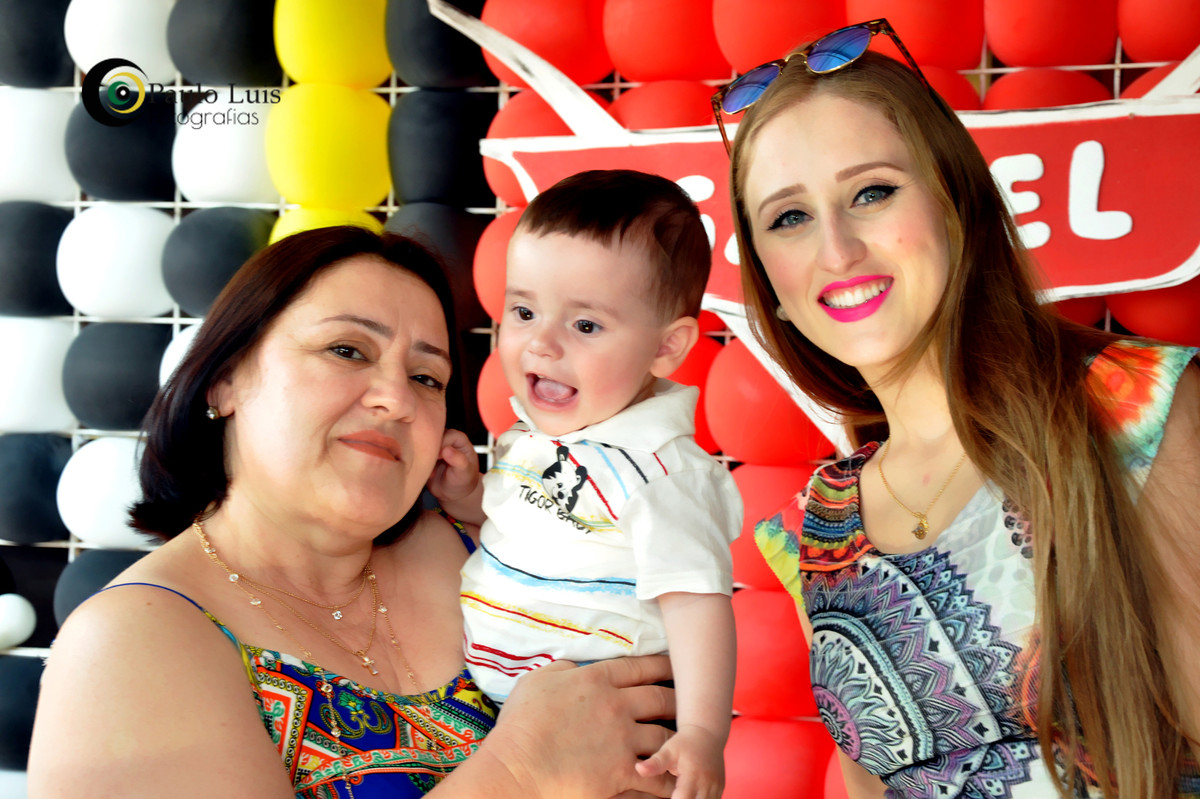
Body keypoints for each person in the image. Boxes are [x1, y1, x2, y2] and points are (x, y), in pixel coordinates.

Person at [717, 19, 1200, 799]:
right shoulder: (815, 528)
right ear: (768, 280)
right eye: (789, 218)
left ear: (956, 200)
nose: (837, 250)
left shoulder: (1135, 406)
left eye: (872, 192)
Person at [26, 226, 679, 799]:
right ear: (226, 379)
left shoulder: (486, 555)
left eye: (426, 378)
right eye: (347, 350)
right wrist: (519, 773)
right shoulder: (128, 643)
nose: (397, 398)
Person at [430, 170, 741, 799]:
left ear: (667, 347)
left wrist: (703, 732)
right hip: (501, 719)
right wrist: (467, 495)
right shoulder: (532, 437)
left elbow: (698, 604)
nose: (542, 344)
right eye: (524, 312)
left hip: (614, 727)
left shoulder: (662, 474)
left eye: (586, 326)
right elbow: (522, 525)